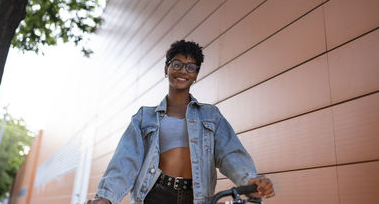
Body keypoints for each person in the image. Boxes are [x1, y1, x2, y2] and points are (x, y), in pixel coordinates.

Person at [87, 40, 274, 204]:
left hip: (198, 196)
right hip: (156, 194)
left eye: (190, 67)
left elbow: (229, 153)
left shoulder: (211, 115)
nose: (183, 71)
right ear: (166, 68)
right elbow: (126, 160)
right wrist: (106, 197)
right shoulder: (144, 117)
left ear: (196, 74)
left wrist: (249, 179)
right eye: (177, 64)